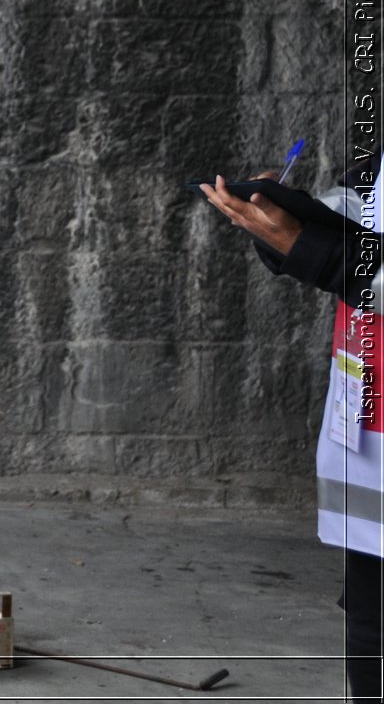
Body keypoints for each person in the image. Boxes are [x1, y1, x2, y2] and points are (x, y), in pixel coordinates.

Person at [201, 158, 382, 703]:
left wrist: (309, 245)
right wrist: (282, 216)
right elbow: (364, 203)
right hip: (372, 432)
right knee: (372, 624)